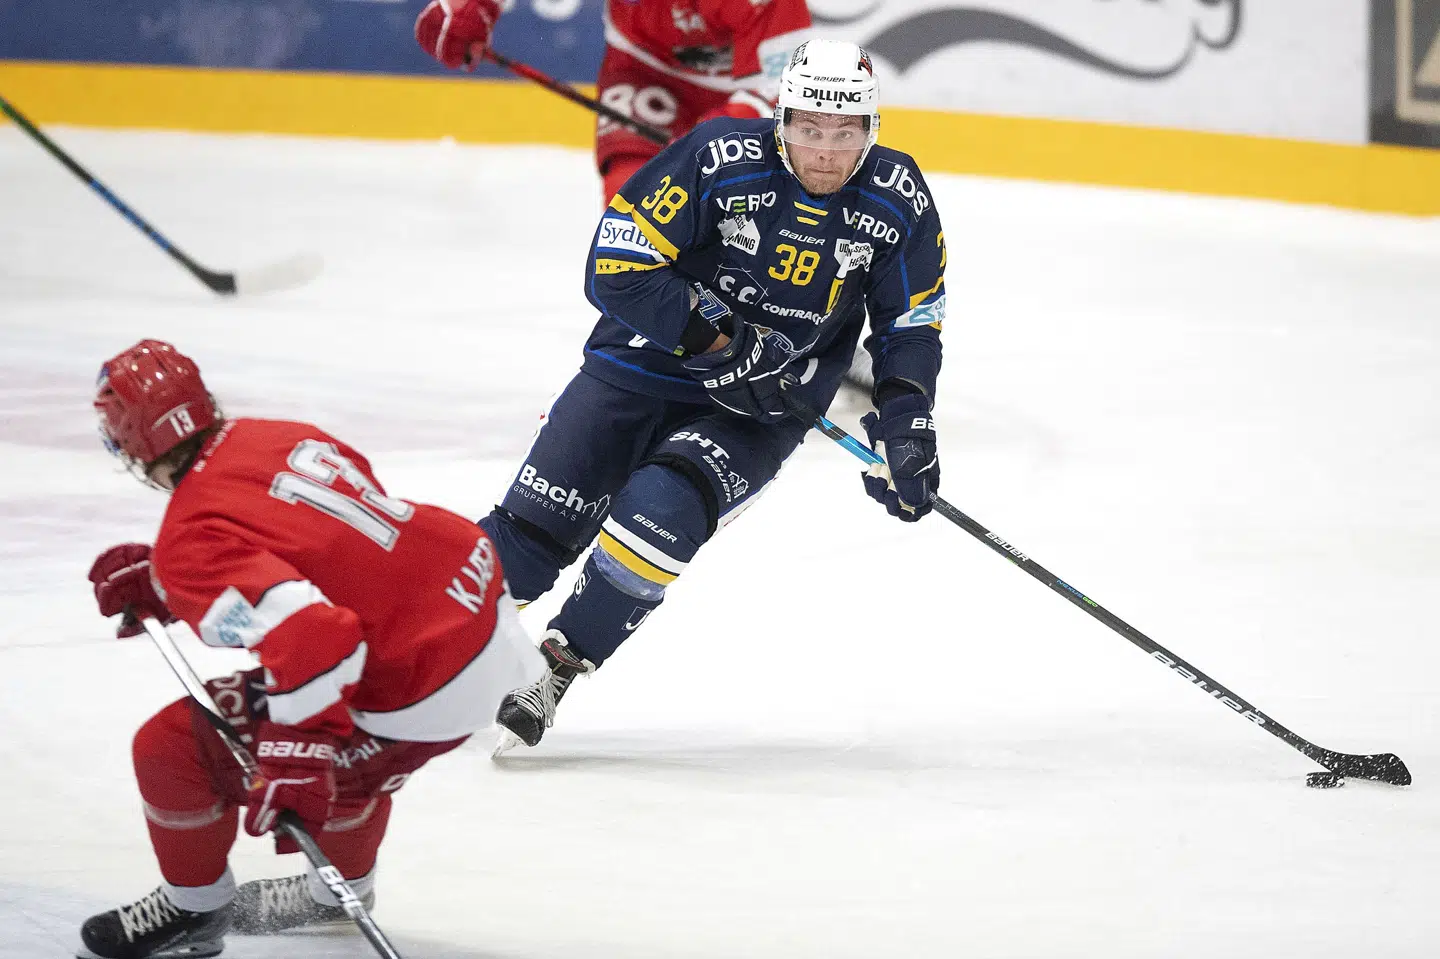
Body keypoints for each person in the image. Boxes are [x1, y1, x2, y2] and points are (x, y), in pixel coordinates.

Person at [470, 38, 947, 751]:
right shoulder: (719, 157)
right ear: (781, 118)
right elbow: (614, 266)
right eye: (809, 129)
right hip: (638, 370)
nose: (825, 150)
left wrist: (908, 421)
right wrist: (722, 343)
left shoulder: (897, 197)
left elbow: (910, 321)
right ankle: (410, 639)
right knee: (529, 543)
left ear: (871, 130)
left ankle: (556, 667)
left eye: (845, 133)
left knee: (659, 516)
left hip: (758, 410)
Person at [77, 340, 544, 959]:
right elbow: (334, 545)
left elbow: (319, 640)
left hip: (419, 679)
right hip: (477, 605)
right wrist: (176, 586)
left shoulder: (190, 537)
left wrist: (297, 756)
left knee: (171, 749)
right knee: (351, 763)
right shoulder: (275, 434)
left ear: (131, 444)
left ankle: (195, 909)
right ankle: (336, 893)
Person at [414, 0, 812, 202]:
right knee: (630, 190)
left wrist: (703, 144)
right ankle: (646, 326)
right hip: (642, 64)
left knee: (742, 205)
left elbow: (785, 87)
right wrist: (471, 7)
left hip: (746, 85)